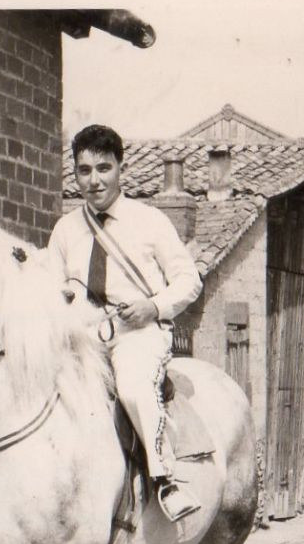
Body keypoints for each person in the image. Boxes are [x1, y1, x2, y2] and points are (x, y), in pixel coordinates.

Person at [48, 124, 204, 522]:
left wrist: (154, 306)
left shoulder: (148, 221)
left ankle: (164, 479)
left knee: (134, 389)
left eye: (104, 168)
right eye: (84, 170)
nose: (94, 180)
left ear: (121, 168)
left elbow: (189, 281)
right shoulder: (66, 229)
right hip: (83, 338)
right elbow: (50, 287)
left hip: (137, 332)